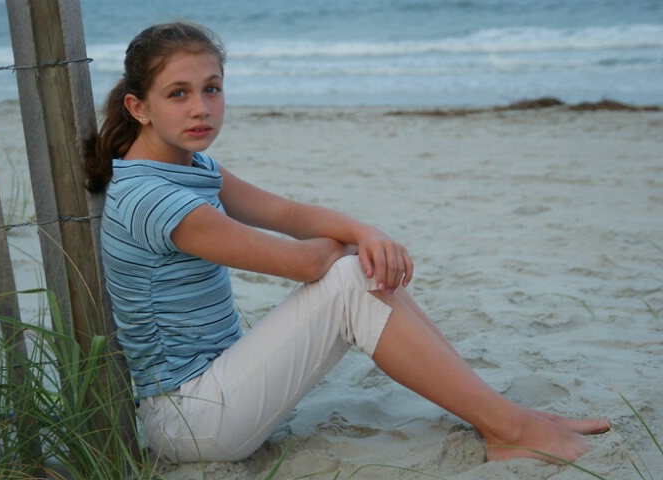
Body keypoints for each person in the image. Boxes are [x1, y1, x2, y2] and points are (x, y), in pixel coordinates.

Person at [83, 21, 609, 466]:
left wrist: (365, 232)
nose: (201, 107)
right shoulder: (152, 197)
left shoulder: (191, 167)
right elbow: (302, 260)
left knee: (357, 267)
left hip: (222, 386)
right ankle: (508, 428)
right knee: (351, 278)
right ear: (139, 106)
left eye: (212, 88)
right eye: (178, 93)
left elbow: (290, 214)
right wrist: (362, 250)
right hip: (189, 421)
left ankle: (503, 416)